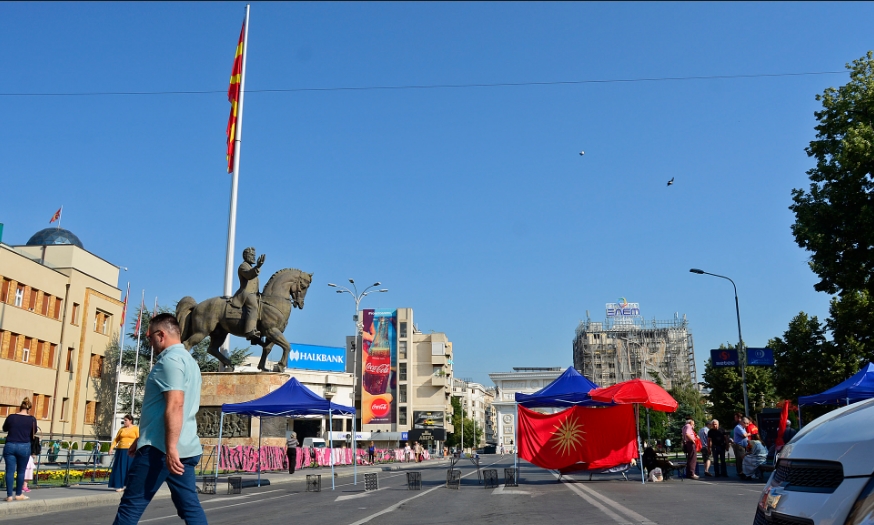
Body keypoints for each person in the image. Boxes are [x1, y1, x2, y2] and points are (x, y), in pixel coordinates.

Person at [112, 313, 206, 525]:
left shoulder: (170, 362)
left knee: (130, 509)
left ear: (161, 334)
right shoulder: (190, 362)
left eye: (149, 336)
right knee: (190, 508)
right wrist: (143, 436)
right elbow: (165, 407)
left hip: (161, 450)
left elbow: (175, 404)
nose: (149, 341)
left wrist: (170, 447)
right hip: (184, 448)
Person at [2, 397, 37, 501]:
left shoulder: (11, 417)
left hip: (10, 445)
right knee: (21, 471)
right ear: (29, 409)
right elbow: (33, 433)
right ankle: (18, 494)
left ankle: (9, 496)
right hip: (24, 446)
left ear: (20, 407)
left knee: (9, 471)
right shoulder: (32, 419)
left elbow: (4, 429)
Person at [230, 246, 266, 343]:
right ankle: (250, 331)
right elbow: (249, 275)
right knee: (253, 306)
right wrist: (257, 266)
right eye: (251, 255)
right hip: (246, 293)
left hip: (254, 293)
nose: (254, 257)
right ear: (246, 256)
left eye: (254, 255)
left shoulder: (250, 266)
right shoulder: (243, 266)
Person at [109, 414, 139, 492]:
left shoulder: (135, 429)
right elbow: (116, 439)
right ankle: (119, 485)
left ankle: (130, 486)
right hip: (121, 450)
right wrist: (111, 448)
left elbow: (139, 439)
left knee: (130, 468)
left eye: (126, 420)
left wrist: (138, 449)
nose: (124, 422)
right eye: (124, 420)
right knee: (120, 468)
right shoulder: (122, 429)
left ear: (130, 421)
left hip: (131, 451)